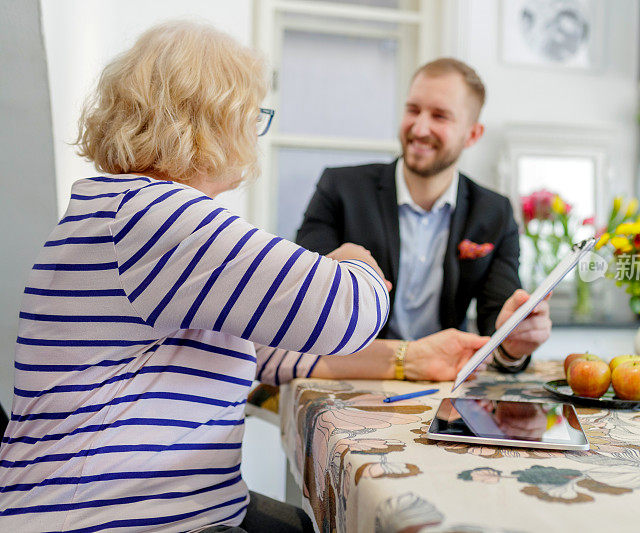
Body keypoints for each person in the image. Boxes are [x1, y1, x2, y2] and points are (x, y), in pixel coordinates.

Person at [0, 21, 390, 533]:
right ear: (217, 118)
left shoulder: (122, 210)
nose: (255, 134)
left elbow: (262, 349)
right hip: (110, 518)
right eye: (254, 116)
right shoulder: (158, 213)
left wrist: (410, 359)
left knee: (293, 523)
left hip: (125, 505)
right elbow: (345, 312)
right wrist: (356, 262)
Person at [294, 58, 552, 378]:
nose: (419, 128)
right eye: (413, 110)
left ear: (472, 134)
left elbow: (497, 322)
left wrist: (513, 344)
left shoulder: (495, 212)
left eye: (439, 116)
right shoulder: (340, 188)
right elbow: (301, 297)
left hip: (444, 384)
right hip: (352, 375)